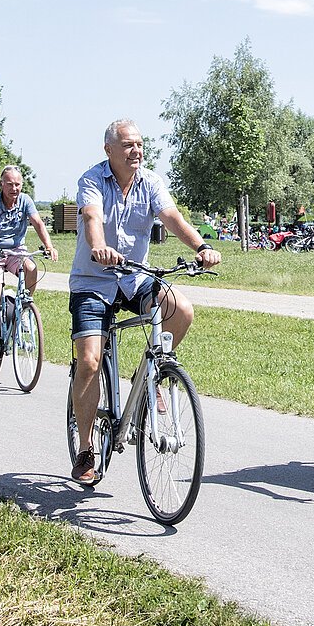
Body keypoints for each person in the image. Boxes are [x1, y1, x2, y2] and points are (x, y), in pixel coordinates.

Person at [68, 119, 219, 485]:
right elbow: (92, 218)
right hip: (94, 281)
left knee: (181, 309)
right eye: (128, 145)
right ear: (109, 150)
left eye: (139, 144)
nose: (136, 151)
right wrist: (99, 246)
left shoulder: (150, 182)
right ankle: (86, 448)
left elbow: (172, 217)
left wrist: (201, 246)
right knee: (89, 361)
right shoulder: (92, 180)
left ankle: (146, 380)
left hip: (135, 278)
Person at [0, 165, 58, 372]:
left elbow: (38, 223)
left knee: (31, 268)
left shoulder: (25, 201)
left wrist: (49, 245)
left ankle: (23, 307)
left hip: (16, 251)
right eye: (10, 184)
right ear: (1, 184)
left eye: (17, 184)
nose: (14, 188)